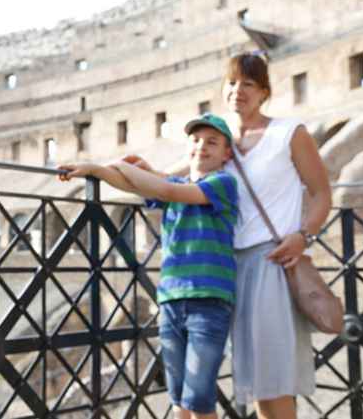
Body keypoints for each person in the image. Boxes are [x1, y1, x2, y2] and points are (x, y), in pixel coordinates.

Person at [130, 53, 332, 419]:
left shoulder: (288, 132)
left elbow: (321, 193)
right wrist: (147, 172)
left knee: (273, 373)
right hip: (223, 270)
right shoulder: (220, 143)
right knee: (253, 376)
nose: (239, 90)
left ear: (264, 92)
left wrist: (304, 234)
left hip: (270, 258)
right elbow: (184, 185)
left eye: (249, 84)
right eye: (233, 83)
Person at [59, 113, 238, 419]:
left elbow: (165, 190)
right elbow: (140, 185)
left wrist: (126, 166)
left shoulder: (223, 183)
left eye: (212, 142)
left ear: (227, 153)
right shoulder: (177, 183)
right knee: (179, 396)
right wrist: (95, 169)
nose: (202, 147)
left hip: (208, 302)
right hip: (170, 300)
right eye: (195, 140)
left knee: (199, 396)